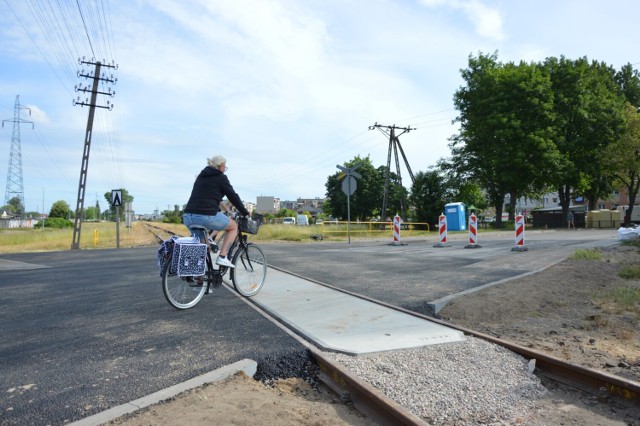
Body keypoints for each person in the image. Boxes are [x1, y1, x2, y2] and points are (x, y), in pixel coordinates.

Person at [183, 155, 250, 268]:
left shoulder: (201, 176)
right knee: (233, 226)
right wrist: (245, 212)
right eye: (225, 167)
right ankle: (223, 257)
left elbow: (214, 196)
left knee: (204, 248)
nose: (225, 169)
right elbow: (232, 196)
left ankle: (199, 278)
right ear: (220, 166)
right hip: (205, 216)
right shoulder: (220, 177)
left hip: (188, 216)